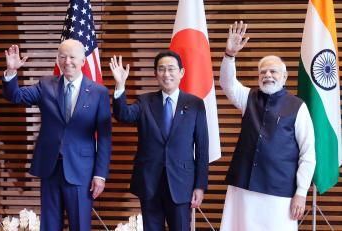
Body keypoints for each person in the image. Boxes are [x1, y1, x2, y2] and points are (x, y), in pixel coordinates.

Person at [2, 39, 112, 231]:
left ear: (83, 61)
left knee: (80, 225)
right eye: (62, 56)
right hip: (50, 167)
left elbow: (104, 137)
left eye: (72, 57)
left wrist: (100, 175)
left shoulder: (98, 92)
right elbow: (16, 96)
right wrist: (12, 72)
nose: (67, 61)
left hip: (82, 170)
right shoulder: (46, 85)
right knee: (50, 225)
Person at [219, 21, 316, 230]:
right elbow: (227, 84)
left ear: (284, 76)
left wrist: (301, 192)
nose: (268, 75)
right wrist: (229, 54)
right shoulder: (248, 97)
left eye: (273, 71)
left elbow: (308, 154)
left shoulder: (298, 106)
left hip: (279, 192)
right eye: (263, 72)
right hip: (244, 189)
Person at [109, 51, 209, 231]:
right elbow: (123, 115)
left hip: (181, 183)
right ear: (155, 74)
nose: (166, 74)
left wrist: (200, 186)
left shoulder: (195, 104)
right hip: (150, 182)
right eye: (161, 69)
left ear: (181, 73)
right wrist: (120, 85)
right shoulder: (145, 101)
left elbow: (202, 148)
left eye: (171, 69)